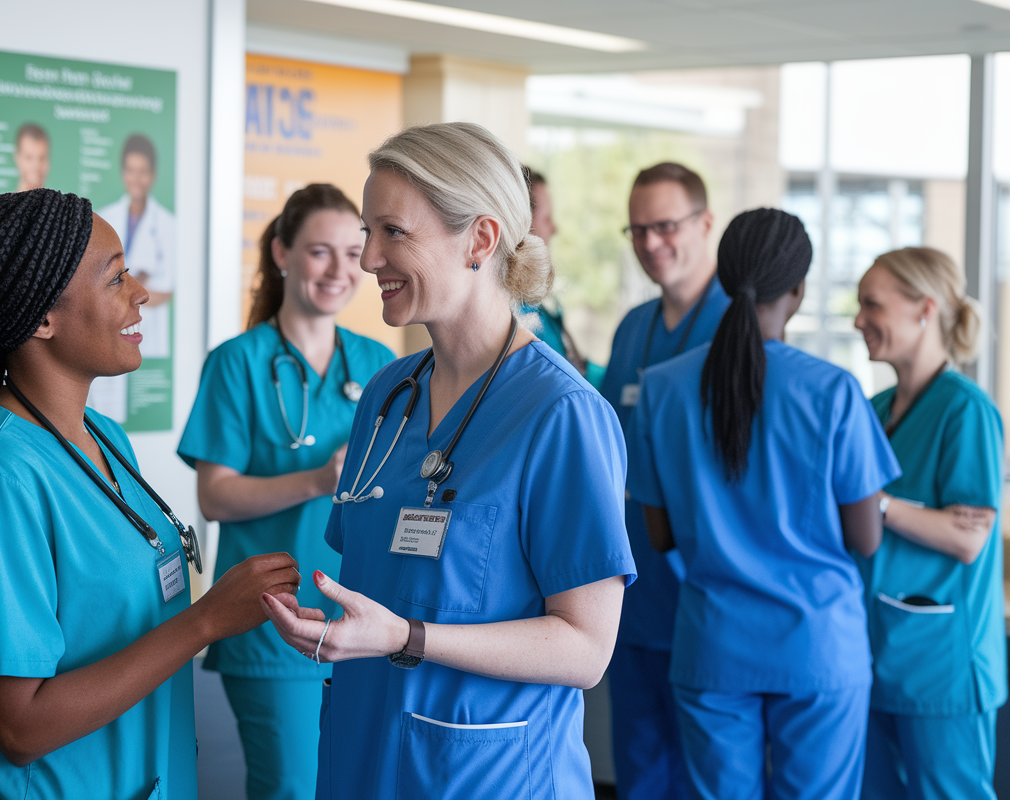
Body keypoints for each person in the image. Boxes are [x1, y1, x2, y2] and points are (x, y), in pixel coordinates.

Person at [261, 122, 635, 799]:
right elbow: (381, 581)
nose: (368, 258)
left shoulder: (562, 416)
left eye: (392, 233)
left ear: (481, 240)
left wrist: (408, 637)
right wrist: (345, 629)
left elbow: (585, 651)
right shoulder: (387, 393)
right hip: (361, 749)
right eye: (367, 232)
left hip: (486, 770)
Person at [0, 188, 302, 800]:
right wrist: (204, 620)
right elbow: (19, 727)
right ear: (42, 318)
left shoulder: (104, 437)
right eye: (116, 277)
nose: (140, 292)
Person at [629, 208, 900, 800]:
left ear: (725, 281)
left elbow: (660, 534)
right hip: (818, 647)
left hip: (713, 646)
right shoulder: (833, 391)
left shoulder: (663, 387)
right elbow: (867, 538)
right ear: (798, 291)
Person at [177, 184, 394, 800]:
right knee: (293, 790)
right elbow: (215, 497)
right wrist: (321, 480)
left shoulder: (379, 362)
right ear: (282, 253)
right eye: (319, 252)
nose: (339, 270)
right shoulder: (237, 363)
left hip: (367, 617)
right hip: (275, 620)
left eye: (354, 253)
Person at [597, 162, 729, 800]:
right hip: (632, 592)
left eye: (666, 226)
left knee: (711, 776)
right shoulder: (633, 329)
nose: (651, 243)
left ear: (706, 224)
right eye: (638, 229)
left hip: (708, 596)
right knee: (640, 768)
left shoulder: (742, 330)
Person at [853, 247, 1004, 800]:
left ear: (924, 309)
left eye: (872, 305)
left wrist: (883, 505)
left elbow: (968, 537)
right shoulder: (877, 407)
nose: (857, 320)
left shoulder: (966, 411)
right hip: (877, 654)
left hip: (942, 664)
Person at [90, 134, 177, 422]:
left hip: (147, 337)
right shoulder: (103, 219)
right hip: (109, 332)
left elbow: (170, 291)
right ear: (122, 172)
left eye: (143, 171)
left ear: (152, 175)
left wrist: (119, 286)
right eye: (130, 169)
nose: (136, 178)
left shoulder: (168, 225)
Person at [520, 167, 604, 388]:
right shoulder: (513, 315)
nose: (554, 228)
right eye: (546, 218)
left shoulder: (540, 304)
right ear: (520, 223)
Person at [13, 123, 50, 193]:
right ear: (17, 158)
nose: (36, 165)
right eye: (29, 157)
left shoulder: (62, 203)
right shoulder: (1, 203)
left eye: (42, 158)